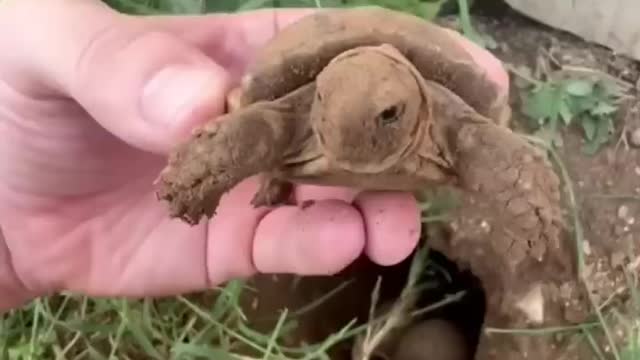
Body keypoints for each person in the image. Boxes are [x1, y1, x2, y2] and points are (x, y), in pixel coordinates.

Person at [0, 0, 509, 311]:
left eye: (385, 116)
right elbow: (251, 129)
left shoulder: (451, 114)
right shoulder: (286, 117)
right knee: (263, 132)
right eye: (325, 109)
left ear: (414, 102)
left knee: (504, 169)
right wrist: (195, 178)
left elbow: (498, 151)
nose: (342, 131)